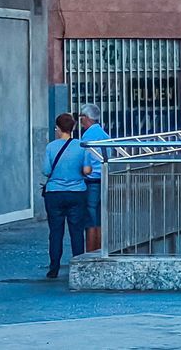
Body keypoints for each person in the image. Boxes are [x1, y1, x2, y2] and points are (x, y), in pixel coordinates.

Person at [41, 112, 91, 279]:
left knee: (55, 232)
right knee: (76, 231)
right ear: (74, 127)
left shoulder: (50, 147)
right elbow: (87, 170)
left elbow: (46, 171)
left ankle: (54, 268)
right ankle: (78, 266)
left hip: (54, 194)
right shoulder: (82, 146)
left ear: (57, 128)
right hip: (77, 192)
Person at [77, 103, 108, 252]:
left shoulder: (87, 136)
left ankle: (90, 251)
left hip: (91, 181)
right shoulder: (104, 134)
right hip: (104, 179)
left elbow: (85, 162)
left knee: (90, 218)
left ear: (87, 118)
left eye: (81, 118)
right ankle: (100, 248)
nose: (80, 122)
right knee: (100, 217)